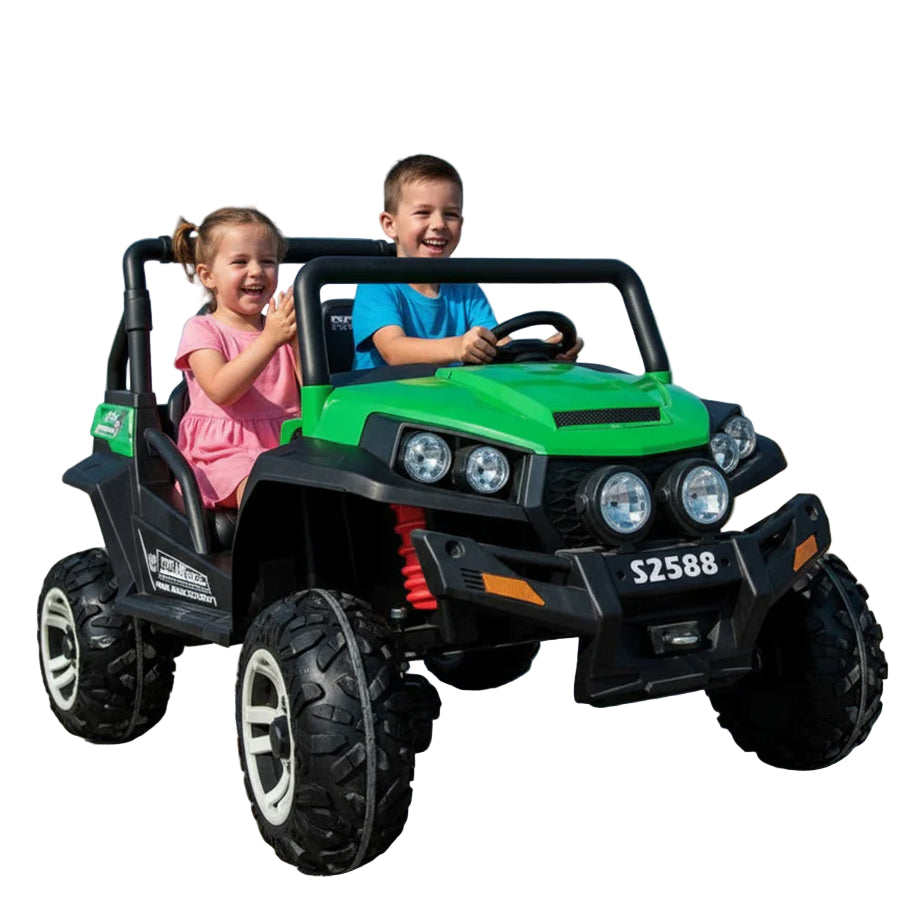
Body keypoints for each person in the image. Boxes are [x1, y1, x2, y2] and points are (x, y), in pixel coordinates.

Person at [352, 154, 582, 369]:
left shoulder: (465, 289)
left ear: (461, 223)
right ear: (390, 225)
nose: (439, 224)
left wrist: (541, 353)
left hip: (446, 402)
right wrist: (458, 347)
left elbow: (496, 341)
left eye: (450, 214)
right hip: (381, 400)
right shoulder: (377, 284)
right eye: (423, 213)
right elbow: (394, 350)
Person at [172, 207, 300, 509]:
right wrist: (270, 339)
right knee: (261, 484)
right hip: (224, 453)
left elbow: (311, 389)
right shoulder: (202, 329)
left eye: (267, 261)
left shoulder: (280, 329)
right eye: (240, 262)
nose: (256, 271)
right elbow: (221, 389)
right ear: (208, 275)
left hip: (286, 443)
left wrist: (296, 343)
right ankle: (270, 555)